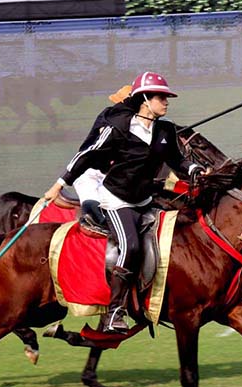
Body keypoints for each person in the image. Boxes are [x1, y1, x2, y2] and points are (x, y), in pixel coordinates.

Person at [44, 72, 202, 334]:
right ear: (144, 100)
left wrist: (194, 167)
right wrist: (59, 184)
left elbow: (176, 160)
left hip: (145, 200)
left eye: (167, 97)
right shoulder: (118, 127)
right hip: (116, 200)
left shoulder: (165, 130)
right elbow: (86, 154)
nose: (167, 101)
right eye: (161, 96)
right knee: (130, 246)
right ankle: (114, 311)